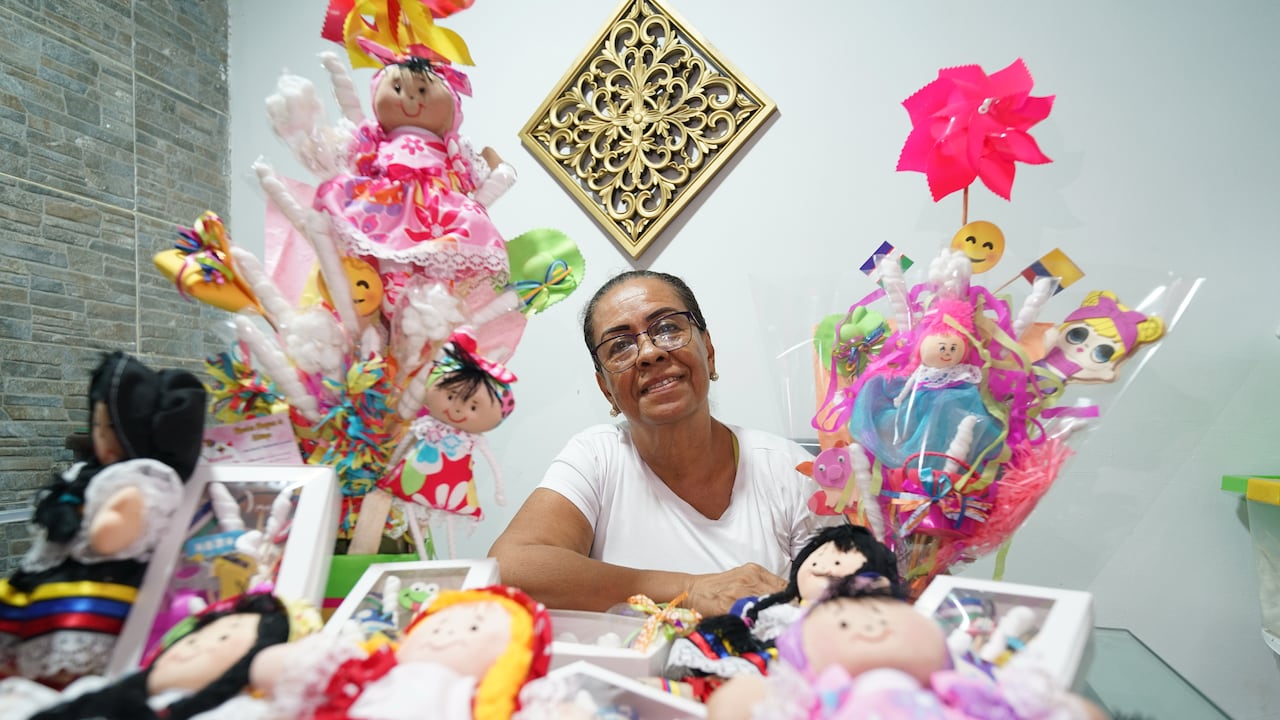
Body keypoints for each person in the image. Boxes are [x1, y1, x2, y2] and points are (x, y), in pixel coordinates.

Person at [488, 271, 827, 617]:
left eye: (667, 328)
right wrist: (690, 589)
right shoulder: (597, 457)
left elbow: (847, 601)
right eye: (619, 346)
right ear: (606, 388)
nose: (649, 353)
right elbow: (509, 567)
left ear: (708, 351)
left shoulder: (789, 469)